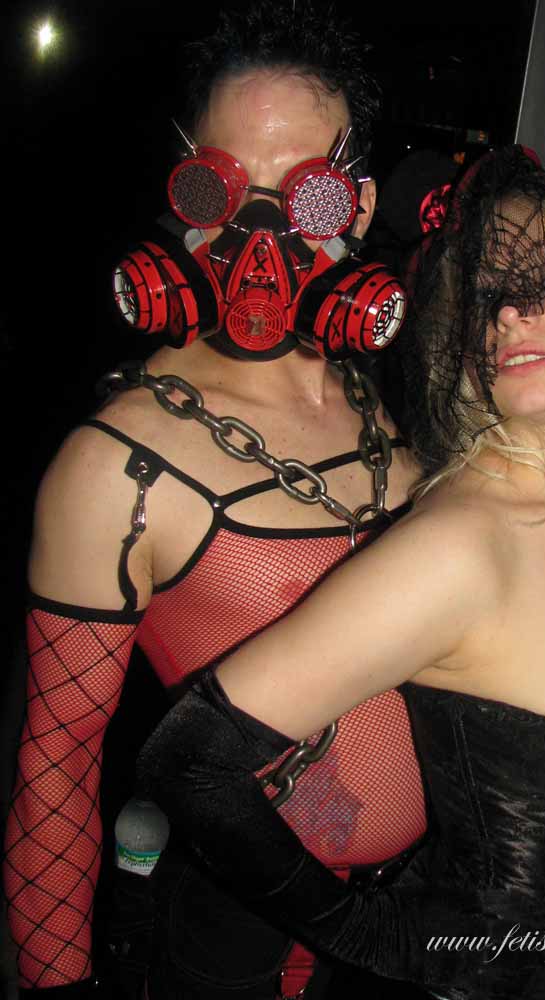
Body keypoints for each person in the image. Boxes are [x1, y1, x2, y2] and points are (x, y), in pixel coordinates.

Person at [136, 147, 545, 999]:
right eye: (487, 299)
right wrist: (365, 934)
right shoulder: (460, 547)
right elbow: (193, 762)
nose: (508, 318)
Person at [2, 5, 430, 997]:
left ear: (360, 206)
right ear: (184, 194)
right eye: (222, 188)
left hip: (421, 909)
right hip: (248, 935)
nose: (260, 236)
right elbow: (56, 766)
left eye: (308, 195)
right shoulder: (121, 466)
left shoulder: (395, 398)